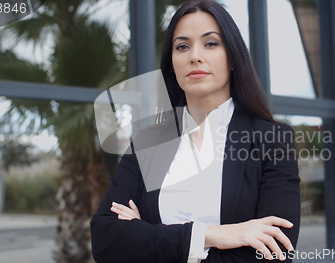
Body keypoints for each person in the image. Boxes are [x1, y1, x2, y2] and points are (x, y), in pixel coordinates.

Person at [90, 1, 301, 262]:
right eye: (182, 46)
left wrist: (147, 235)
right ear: (172, 62)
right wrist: (210, 236)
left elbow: (275, 252)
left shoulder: (272, 140)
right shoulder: (148, 142)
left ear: (233, 57)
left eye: (210, 43)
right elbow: (105, 239)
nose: (195, 56)